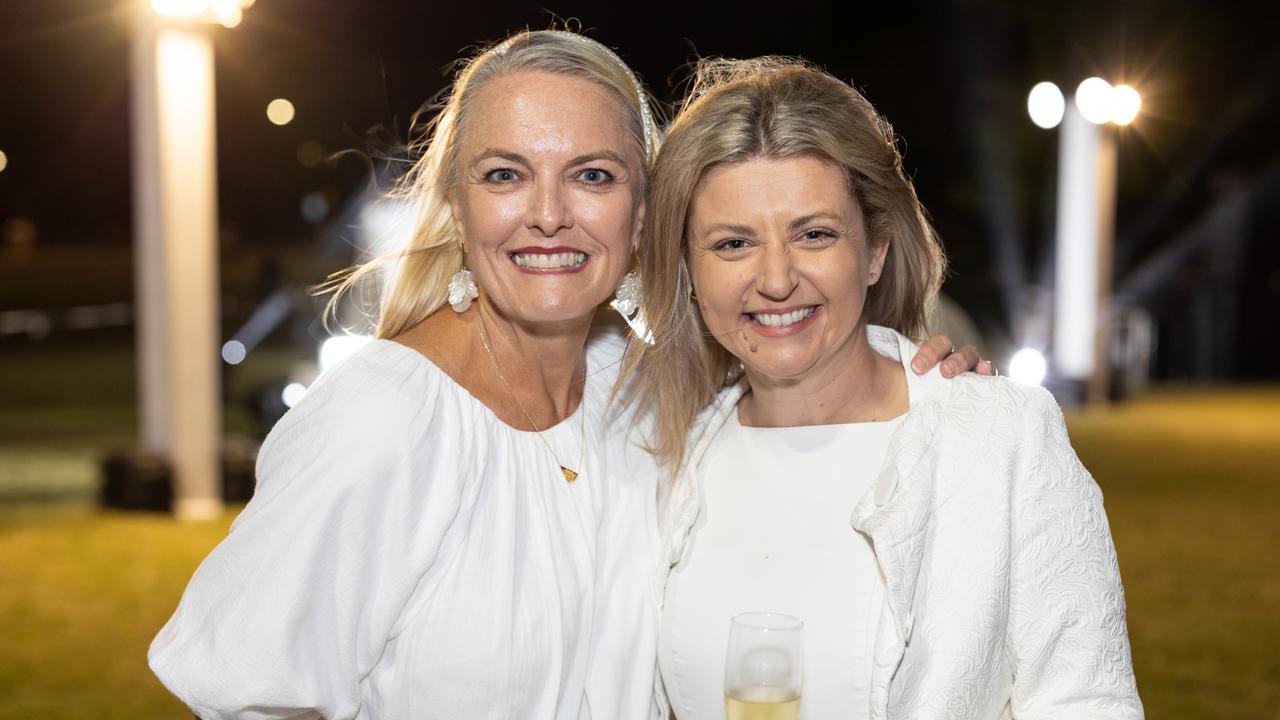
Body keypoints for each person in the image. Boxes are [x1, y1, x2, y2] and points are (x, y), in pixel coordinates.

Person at [149, 31, 982, 720]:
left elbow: (811, 403)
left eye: (592, 174)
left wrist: (929, 385)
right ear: (458, 202)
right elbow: (252, 693)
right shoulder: (382, 420)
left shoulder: (655, 398)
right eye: (506, 174)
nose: (549, 213)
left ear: (646, 212)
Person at [625, 58, 1144, 719]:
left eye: (814, 234)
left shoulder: (997, 442)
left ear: (874, 250)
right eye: (732, 244)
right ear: (688, 270)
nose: (777, 278)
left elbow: (1086, 703)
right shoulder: (667, 457)